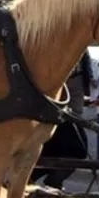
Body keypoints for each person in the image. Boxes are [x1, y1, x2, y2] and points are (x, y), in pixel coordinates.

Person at [29, 49, 92, 189]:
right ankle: (38, 183)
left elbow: (84, 61)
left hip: (71, 82)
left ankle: (50, 183)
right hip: (54, 89)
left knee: (76, 149)